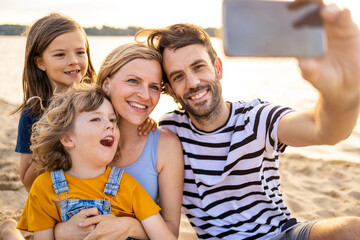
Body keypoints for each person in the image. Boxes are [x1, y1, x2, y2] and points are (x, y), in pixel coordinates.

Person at [134, 3, 360, 240]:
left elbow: (325, 130)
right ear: (169, 90)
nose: (192, 82)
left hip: (279, 235)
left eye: (198, 67)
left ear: (217, 68)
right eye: (178, 76)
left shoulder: (257, 118)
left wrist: (343, 94)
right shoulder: (170, 130)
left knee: (351, 230)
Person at [53, 43, 184, 240]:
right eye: (133, 81)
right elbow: (44, 203)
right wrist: (59, 231)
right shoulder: (75, 133)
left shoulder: (165, 146)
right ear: (106, 84)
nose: (145, 95)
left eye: (154, 87)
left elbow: (171, 230)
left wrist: (129, 226)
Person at [16, 83, 177, 240]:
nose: (109, 126)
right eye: (95, 119)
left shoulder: (129, 187)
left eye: (113, 120)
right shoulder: (44, 187)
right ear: (67, 138)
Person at [12, 13, 96, 192]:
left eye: (80, 52)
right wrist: (52, 134)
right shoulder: (33, 113)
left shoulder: (99, 103)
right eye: (60, 55)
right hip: (53, 200)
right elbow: (28, 183)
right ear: (41, 62)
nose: (73, 61)